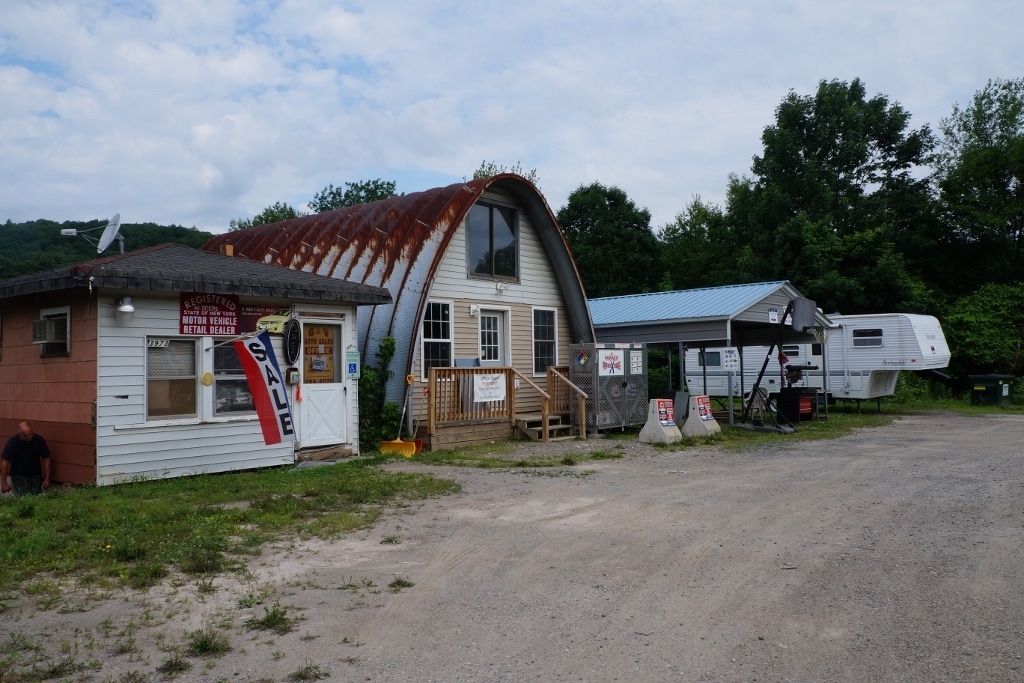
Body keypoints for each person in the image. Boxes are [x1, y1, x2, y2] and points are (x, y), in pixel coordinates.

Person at [1, 420, 51, 495]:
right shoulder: (13, 442)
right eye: (26, 435)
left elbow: (46, 459)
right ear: (20, 434)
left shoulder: (39, 440)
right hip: (18, 475)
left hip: (35, 475)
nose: (29, 436)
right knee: (22, 497)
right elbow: (5, 463)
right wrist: (4, 483)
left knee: (35, 497)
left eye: (31, 434)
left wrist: (47, 478)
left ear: (32, 430)